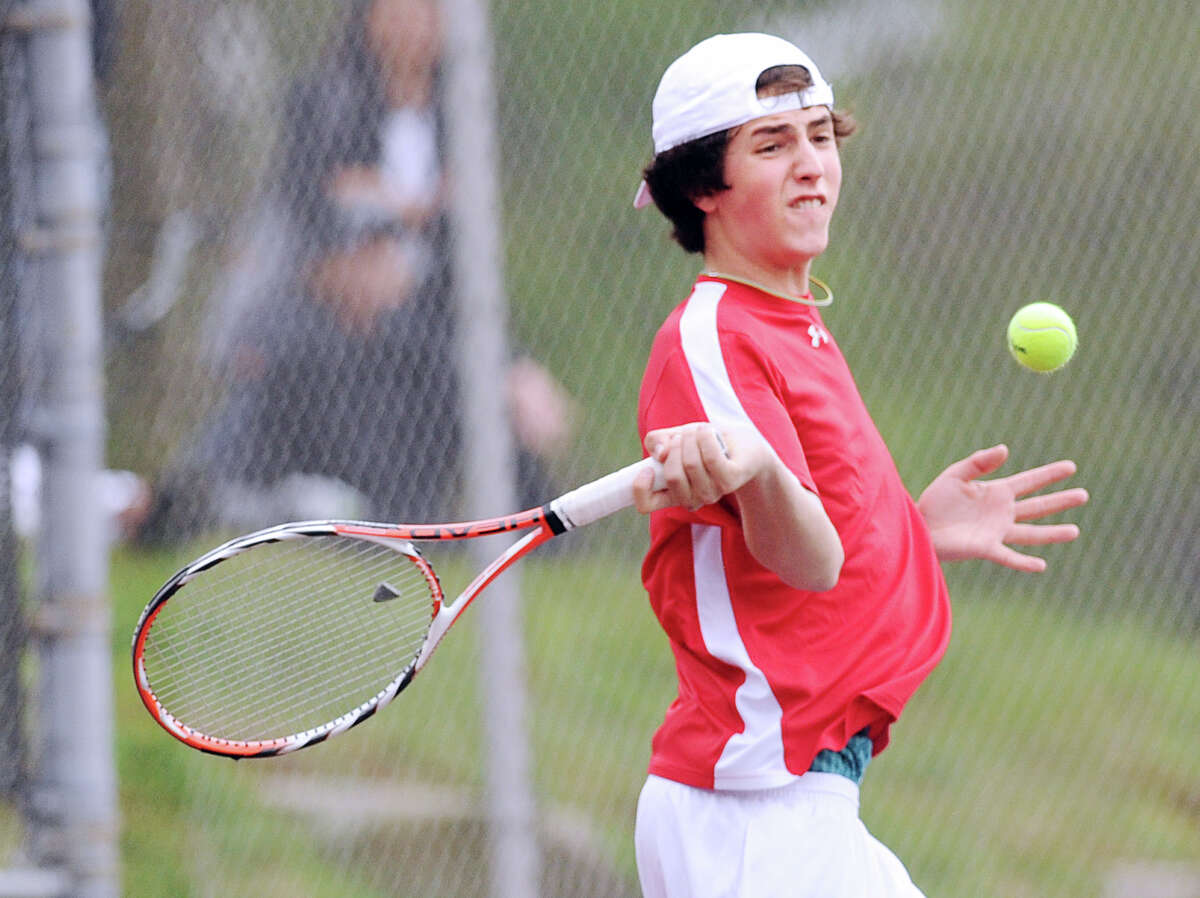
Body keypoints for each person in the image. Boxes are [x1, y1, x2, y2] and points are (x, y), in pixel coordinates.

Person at [628, 33, 1089, 897]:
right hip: (752, 810)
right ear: (700, 186)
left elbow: (812, 535)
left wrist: (909, 532)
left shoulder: (790, 322)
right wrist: (761, 470)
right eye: (772, 146)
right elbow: (806, 556)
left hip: (801, 800)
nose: (812, 165)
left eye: (820, 135)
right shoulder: (713, 337)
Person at [139, 0, 572, 539]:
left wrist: (513, 361)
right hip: (323, 304)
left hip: (423, 318)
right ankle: (192, 498)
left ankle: (536, 531)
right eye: (396, 11)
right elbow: (304, 217)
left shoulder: (461, 115)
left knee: (481, 378)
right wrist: (379, 230)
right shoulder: (323, 102)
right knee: (276, 369)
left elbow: (461, 268)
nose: (411, 25)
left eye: (426, 13)